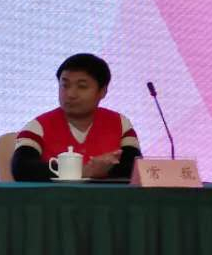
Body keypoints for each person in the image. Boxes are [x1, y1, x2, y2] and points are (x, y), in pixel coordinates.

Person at [11, 52, 141, 181]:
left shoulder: (119, 123)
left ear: (102, 91)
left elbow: (135, 167)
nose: (70, 94)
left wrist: (105, 169)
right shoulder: (39, 125)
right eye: (65, 85)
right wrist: (83, 172)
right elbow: (21, 168)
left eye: (82, 87)